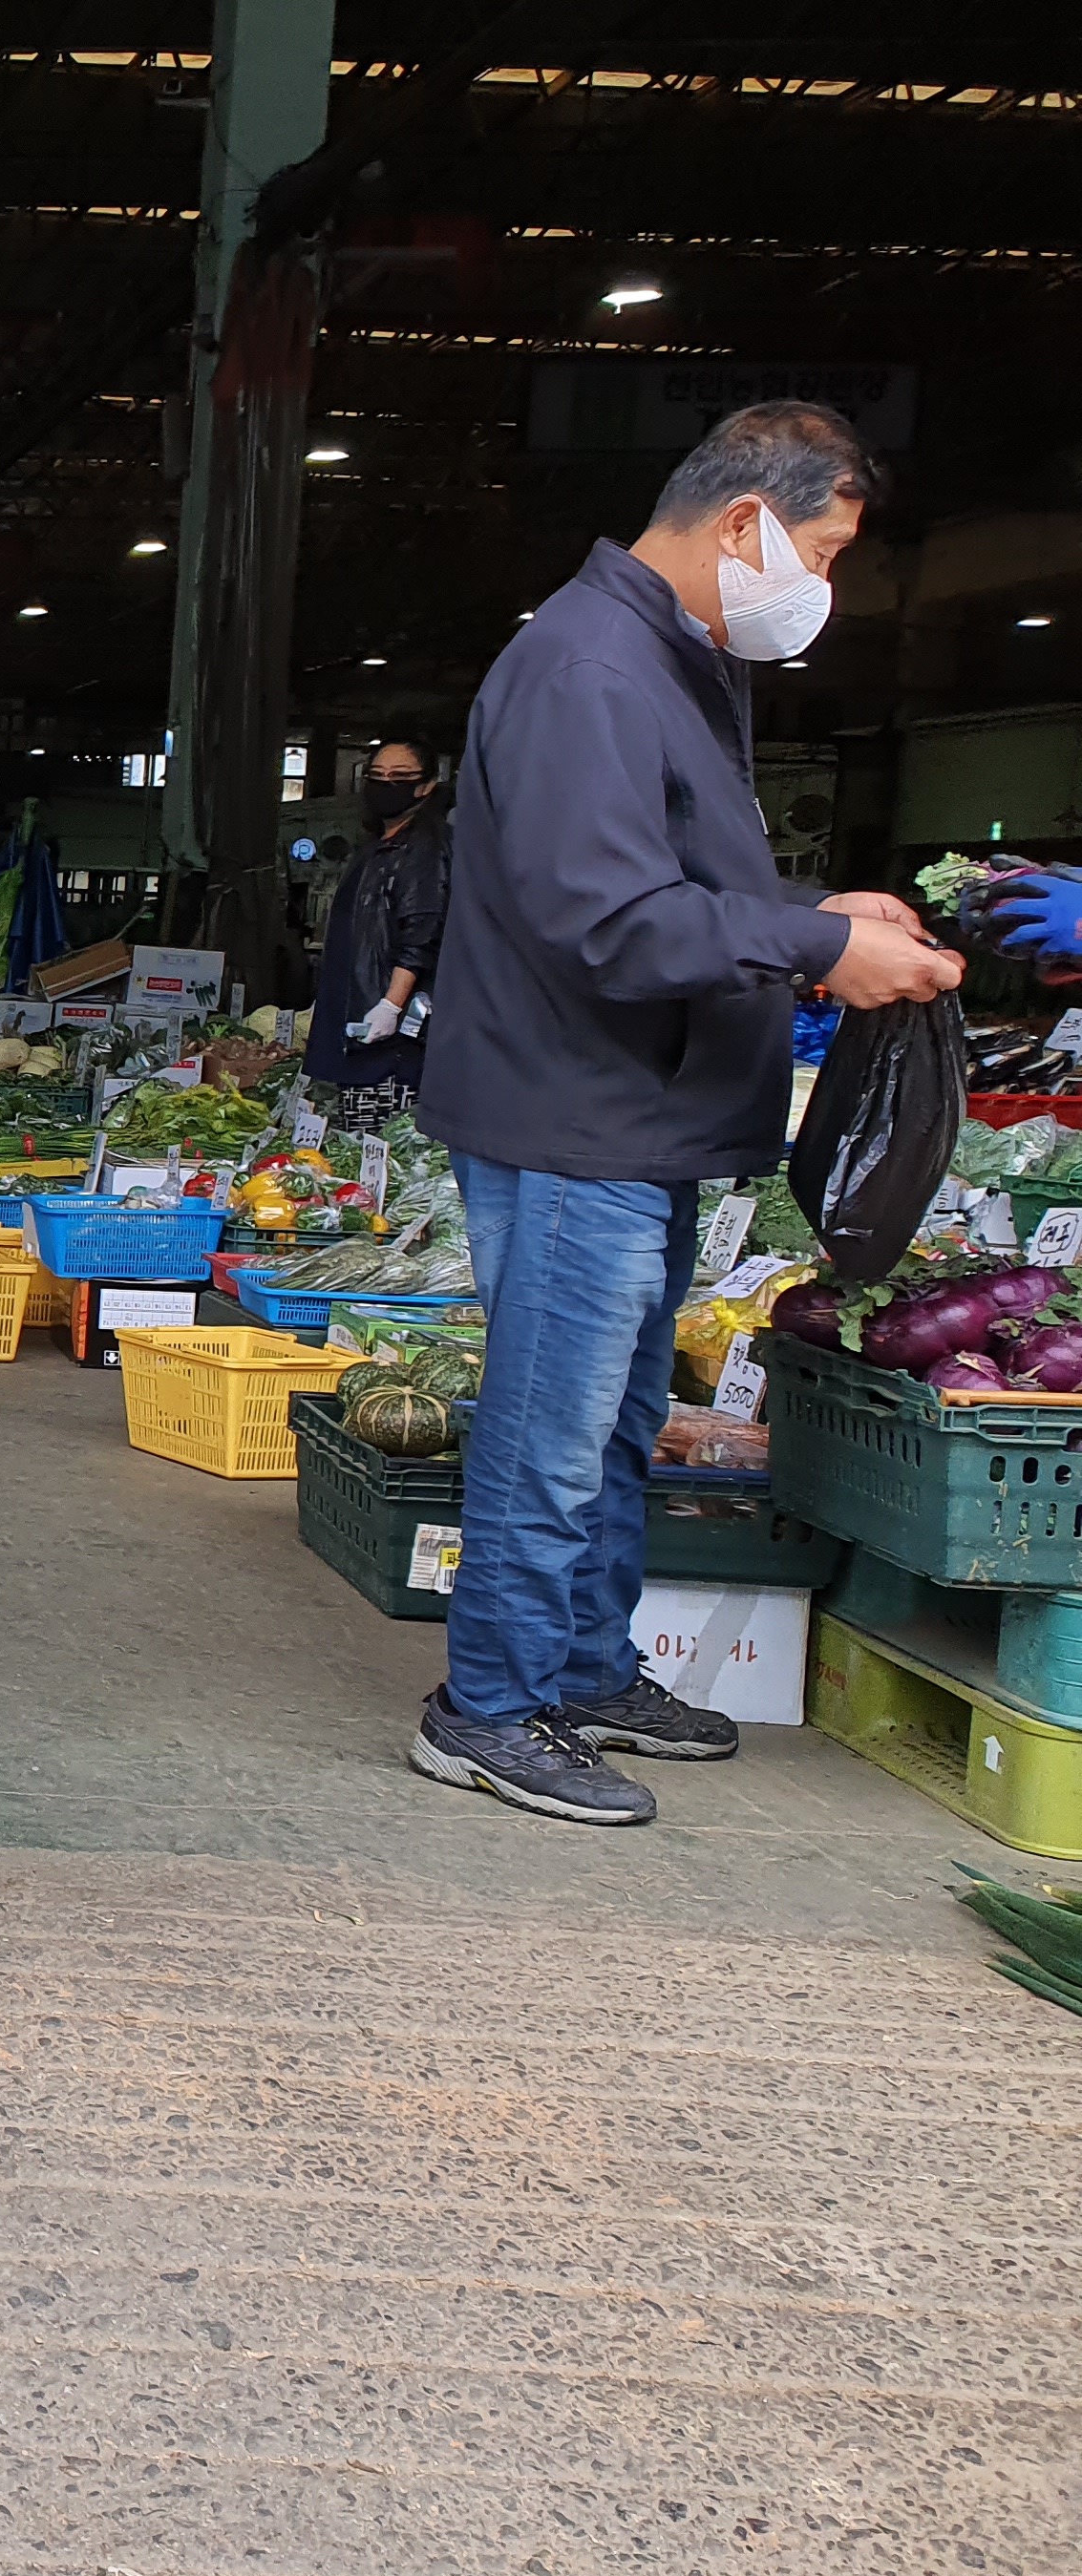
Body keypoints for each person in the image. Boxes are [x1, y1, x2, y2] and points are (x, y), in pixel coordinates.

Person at [413, 400, 959, 1824]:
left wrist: (819, 913)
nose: (823, 588)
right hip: (574, 1117)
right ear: (744, 522)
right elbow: (607, 920)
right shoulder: (590, 667)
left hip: (632, 1114)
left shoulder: (665, 655)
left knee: (614, 1423)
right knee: (552, 1428)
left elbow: (668, 880)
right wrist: (820, 948)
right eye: (823, 554)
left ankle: (585, 1668)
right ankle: (489, 1707)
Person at [301, 737, 447, 1113]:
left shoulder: (423, 848)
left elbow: (420, 933)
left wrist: (390, 1006)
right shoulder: (377, 846)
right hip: (357, 1020)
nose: (386, 784)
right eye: (378, 775)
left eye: (400, 777)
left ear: (426, 785)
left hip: (387, 1035)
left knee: (379, 1133)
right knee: (349, 1129)